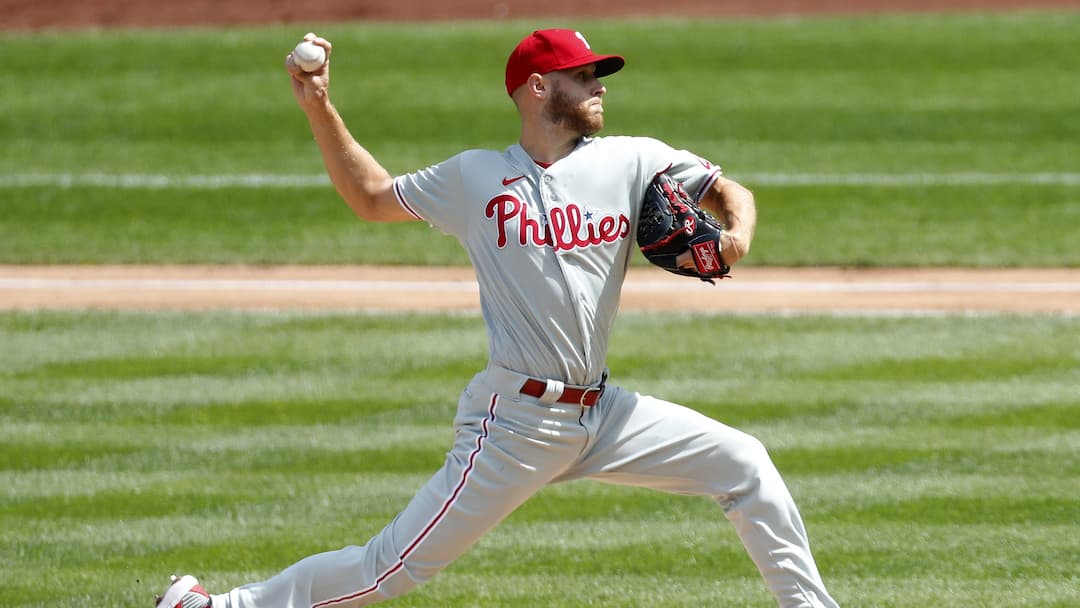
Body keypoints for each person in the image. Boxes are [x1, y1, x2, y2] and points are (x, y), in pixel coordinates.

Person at [155, 28, 839, 608]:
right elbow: (369, 196)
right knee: (390, 568)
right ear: (538, 88)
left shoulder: (633, 159)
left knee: (744, 463)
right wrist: (319, 105)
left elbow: (727, 191)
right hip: (517, 424)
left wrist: (737, 234)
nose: (599, 85)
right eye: (582, 75)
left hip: (603, 413)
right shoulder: (474, 178)